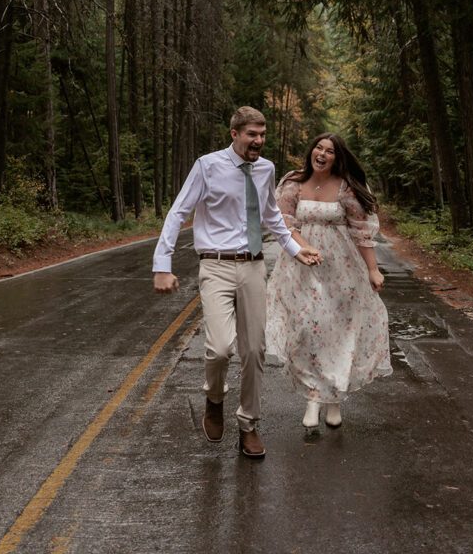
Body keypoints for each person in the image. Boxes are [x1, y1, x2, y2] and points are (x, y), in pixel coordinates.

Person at [152, 106, 321, 459]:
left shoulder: (266, 169)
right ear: (234, 134)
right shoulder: (207, 166)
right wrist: (161, 265)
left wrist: (295, 249)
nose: (258, 141)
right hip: (215, 265)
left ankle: (249, 425)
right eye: (251, 135)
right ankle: (214, 398)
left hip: (254, 267)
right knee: (218, 349)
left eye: (262, 135)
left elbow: (272, 216)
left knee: (255, 351)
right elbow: (178, 212)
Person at [266, 132, 392, 429]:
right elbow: (284, 224)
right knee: (307, 330)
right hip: (301, 267)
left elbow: (362, 232)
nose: (322, 154)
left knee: (337, 331)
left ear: (338, 157)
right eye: (319, 148)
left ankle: (332, 398)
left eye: (330, 151)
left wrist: (373, 270)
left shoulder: (346, 188)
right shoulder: (293, 183)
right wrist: (303, 247)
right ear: (311, 152)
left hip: (341, 268)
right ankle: (312, 397)